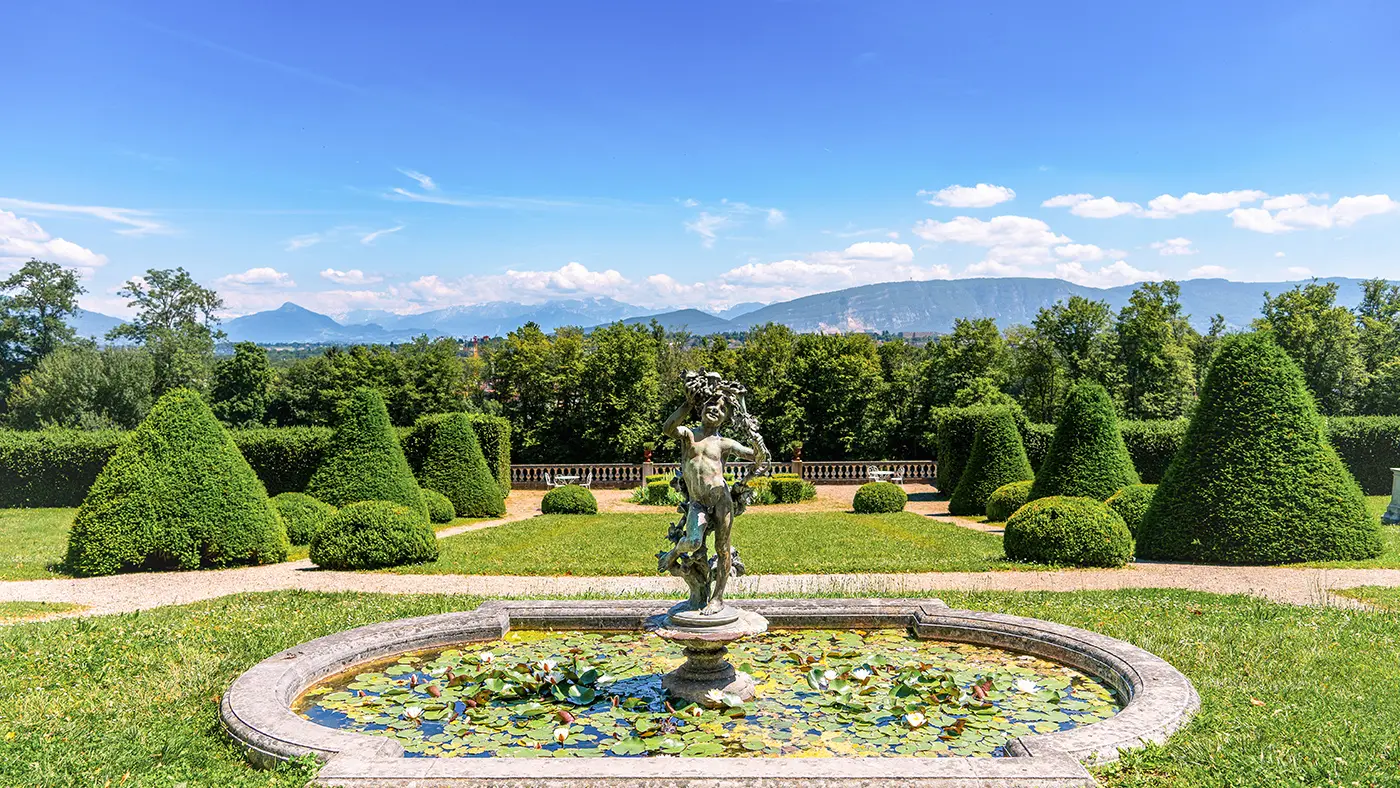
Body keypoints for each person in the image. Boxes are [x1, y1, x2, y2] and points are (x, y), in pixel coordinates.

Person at [657, 371, 767, 615]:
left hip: (721, 500)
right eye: (710, 404)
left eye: (721, 408)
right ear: (701, 407)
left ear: (725, 417)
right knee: (694, 542)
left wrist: (756, 440)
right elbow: (668, 428)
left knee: (722, 548)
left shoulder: (724, 443)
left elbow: (756, 456)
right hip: (697, 503)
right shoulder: (689, 435)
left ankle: (717, 598)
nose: (715, 409)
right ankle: (673, 553)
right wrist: (688, 402)